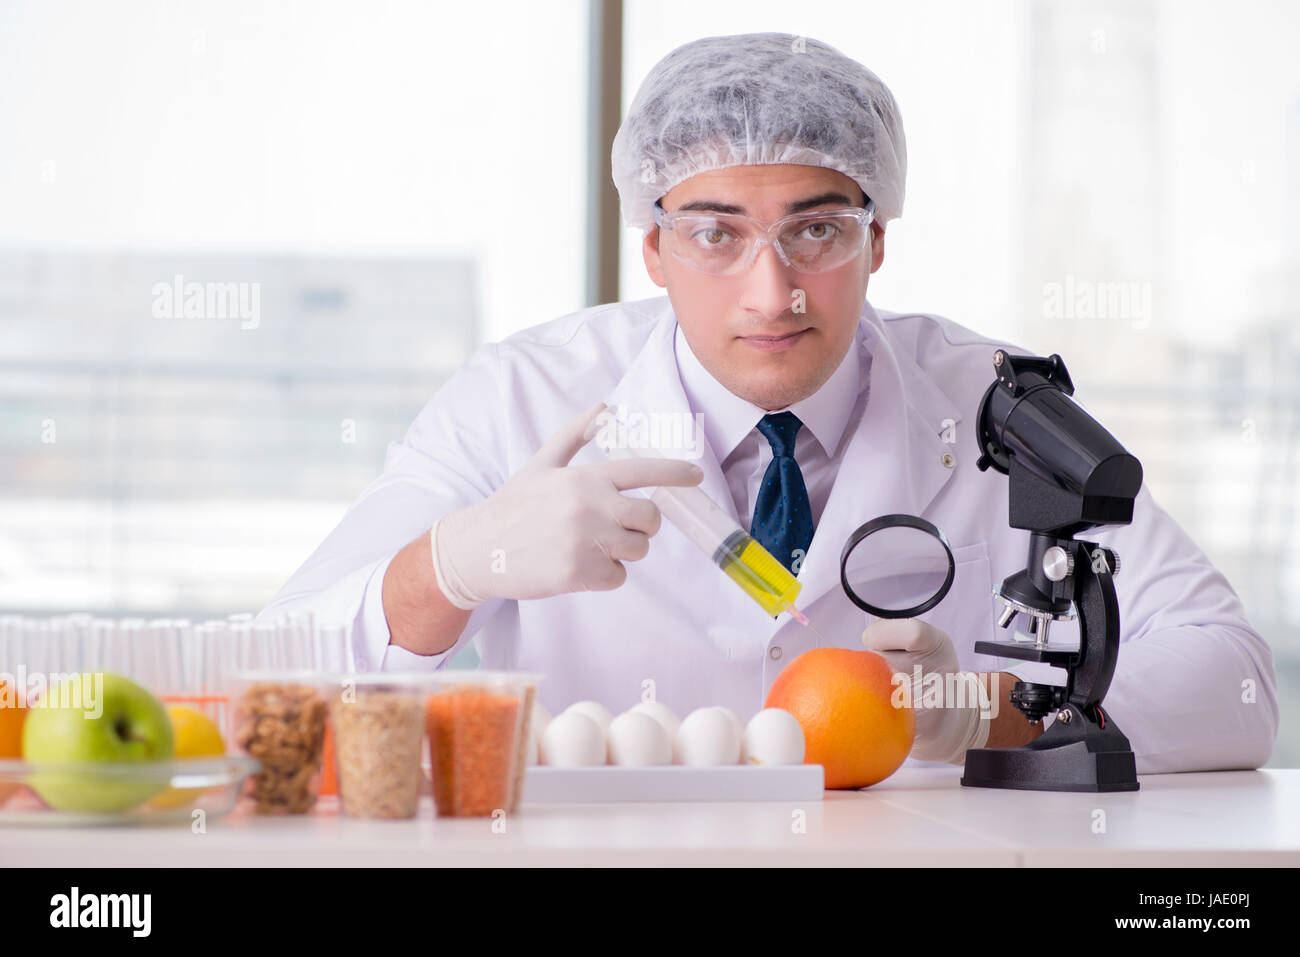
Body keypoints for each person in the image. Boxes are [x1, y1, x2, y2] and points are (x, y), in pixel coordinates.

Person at [259, 33, 1278, 773]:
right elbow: (267, 679)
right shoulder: (522, 398)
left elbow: (1233, 679)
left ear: (878, 238)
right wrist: (455, 562)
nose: (771, 292)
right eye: (714, 232)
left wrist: (981, 709)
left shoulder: (994, 402)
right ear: (651, 247)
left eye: (817, 229)